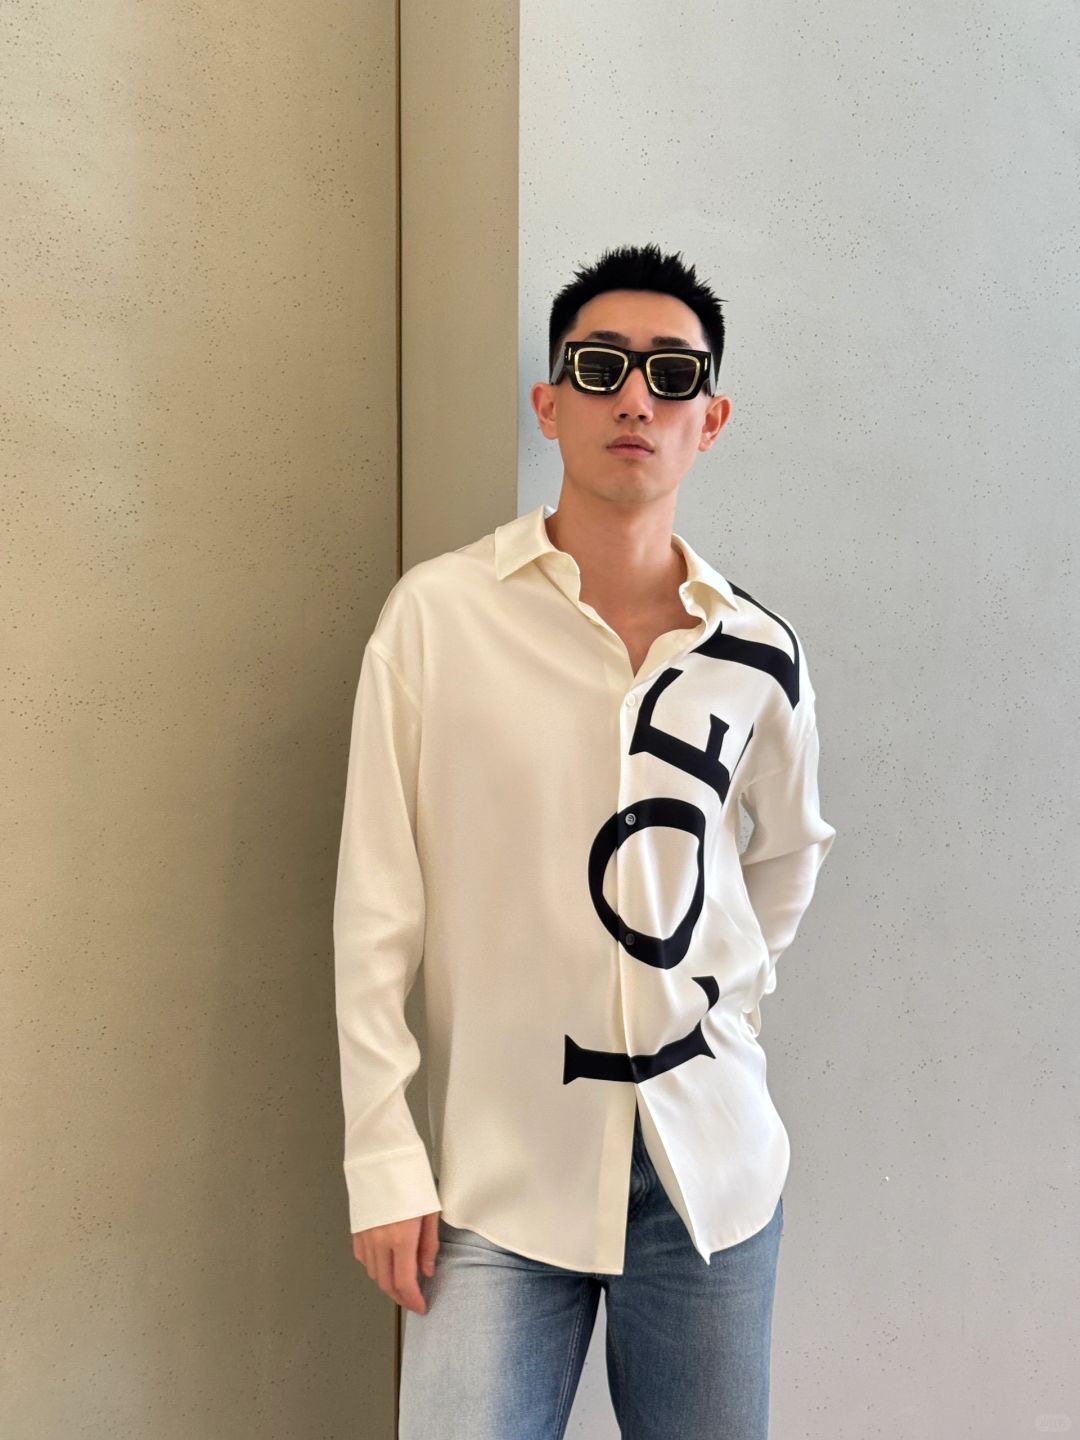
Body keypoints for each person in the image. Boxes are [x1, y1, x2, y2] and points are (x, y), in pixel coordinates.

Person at [332, 242, 837, 1438]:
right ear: (550, 403)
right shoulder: (438, 619)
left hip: (710, 1176)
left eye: (673, 374)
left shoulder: (756, 653)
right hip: (497, 1175)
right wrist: (383, 1156)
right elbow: (375, 907)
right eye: (601, 367)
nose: (637, 398)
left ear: (710, 420)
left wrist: (723, 996)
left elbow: (790, 850)